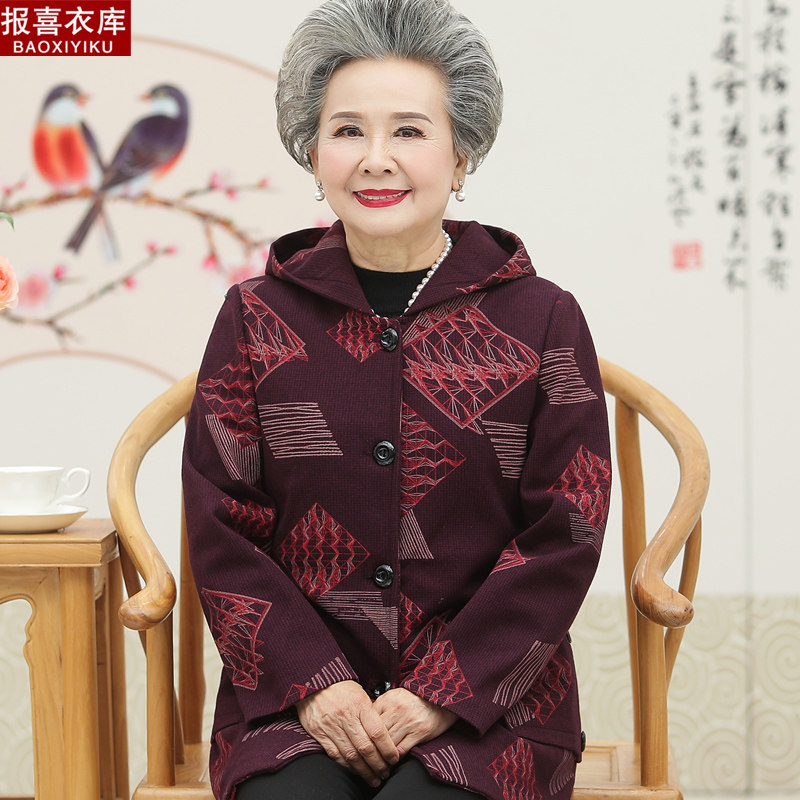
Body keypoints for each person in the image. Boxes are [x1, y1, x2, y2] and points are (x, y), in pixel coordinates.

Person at [182, 0, 611, 798]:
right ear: (314, 152)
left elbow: (567, 531)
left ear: (462, 154)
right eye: (348, 131)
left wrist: (445, 690)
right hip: (291, 704)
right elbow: (220, 523)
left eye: (409, 131)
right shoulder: (256, 316)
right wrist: (315, 683)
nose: (376, 159)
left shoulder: (543, 317)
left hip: (492, 708)